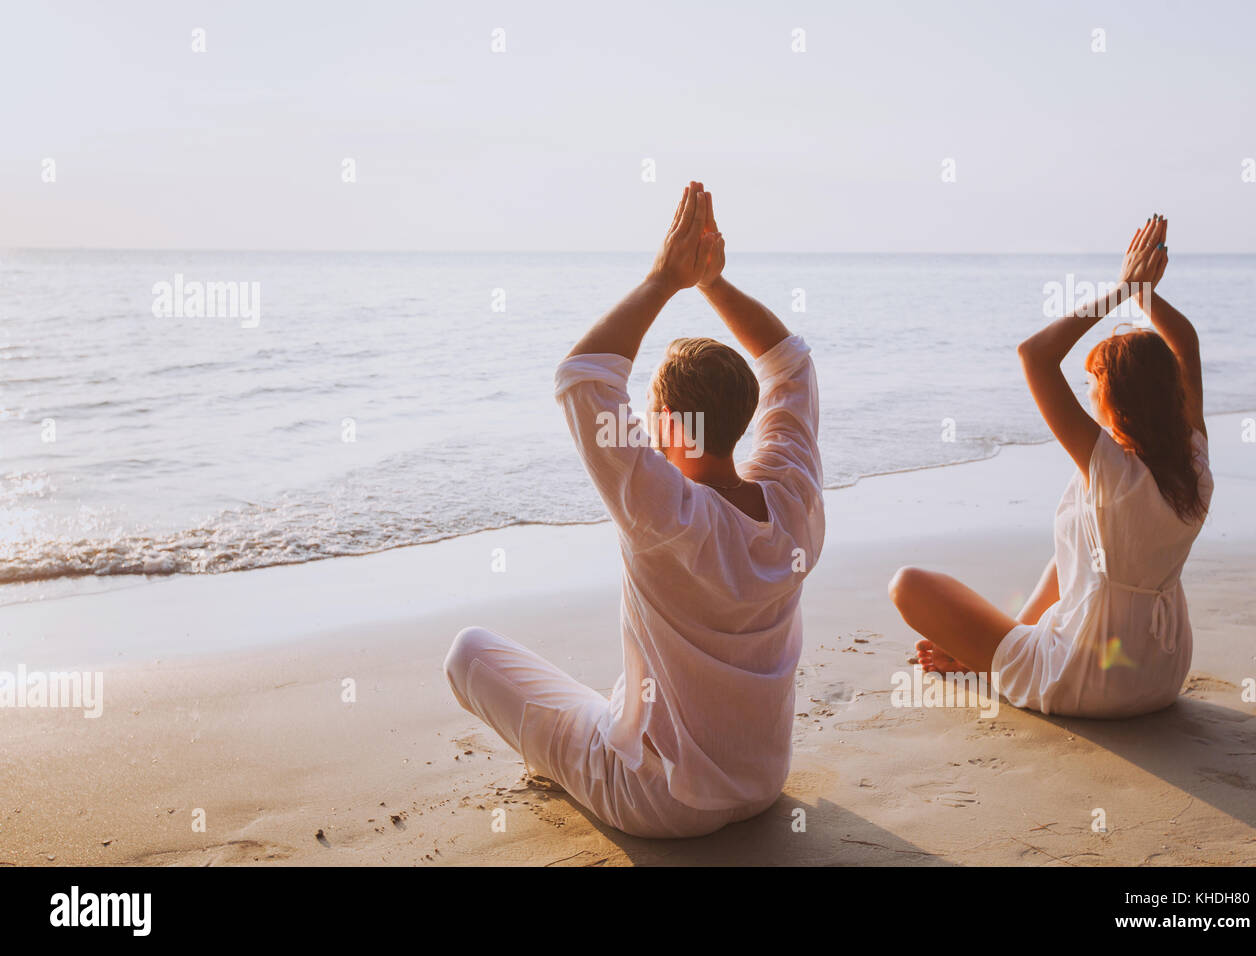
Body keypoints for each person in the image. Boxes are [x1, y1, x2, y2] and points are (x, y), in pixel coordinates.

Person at [444, 182, 825, 836]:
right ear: (740, 420)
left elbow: (581, 377)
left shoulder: (664, 513)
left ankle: (573, 756)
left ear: (672, 425)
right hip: (762, 784)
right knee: (622, 695)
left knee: (467, 654)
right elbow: (789, 369)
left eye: (651, 415)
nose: (642, 428)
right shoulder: (795, 501)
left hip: (658, 804)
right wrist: (712, 283)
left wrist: (666, 278)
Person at [890, 215, 1213, 718]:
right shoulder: (1193, 464)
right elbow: (1186, 349)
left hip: (1087, 680)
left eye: (1093, 384)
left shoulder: (1112, 472)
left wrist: (1124, 289)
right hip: (1160, 674)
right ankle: (1003, 647)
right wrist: (1146, 296)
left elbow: (1034, 355)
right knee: (1078, 540)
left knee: (906, 584)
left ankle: (995, 655)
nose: (1088, 393)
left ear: (1116, 401)